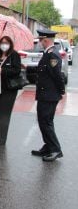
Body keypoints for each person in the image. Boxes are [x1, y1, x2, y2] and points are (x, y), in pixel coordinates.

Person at [31, 29, 65, 162]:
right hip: (45, 93)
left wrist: (61, 91)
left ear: (45, 40)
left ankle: (55, 149)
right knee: (42, 121)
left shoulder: (52, 55)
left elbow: (57, 75)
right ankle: (48, 146)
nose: (39, 43)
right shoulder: (47, 53)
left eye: (40, 40)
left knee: (46, 122)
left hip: (49, 95)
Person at [0, 36, 21, 145]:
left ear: (10, 44)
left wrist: (3, 70)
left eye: (6, 43)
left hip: (8, 90)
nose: (4, 45)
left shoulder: (14, 55)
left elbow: (17, 70)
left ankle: (2, 138)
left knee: (4, 114)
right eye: (2, 43)